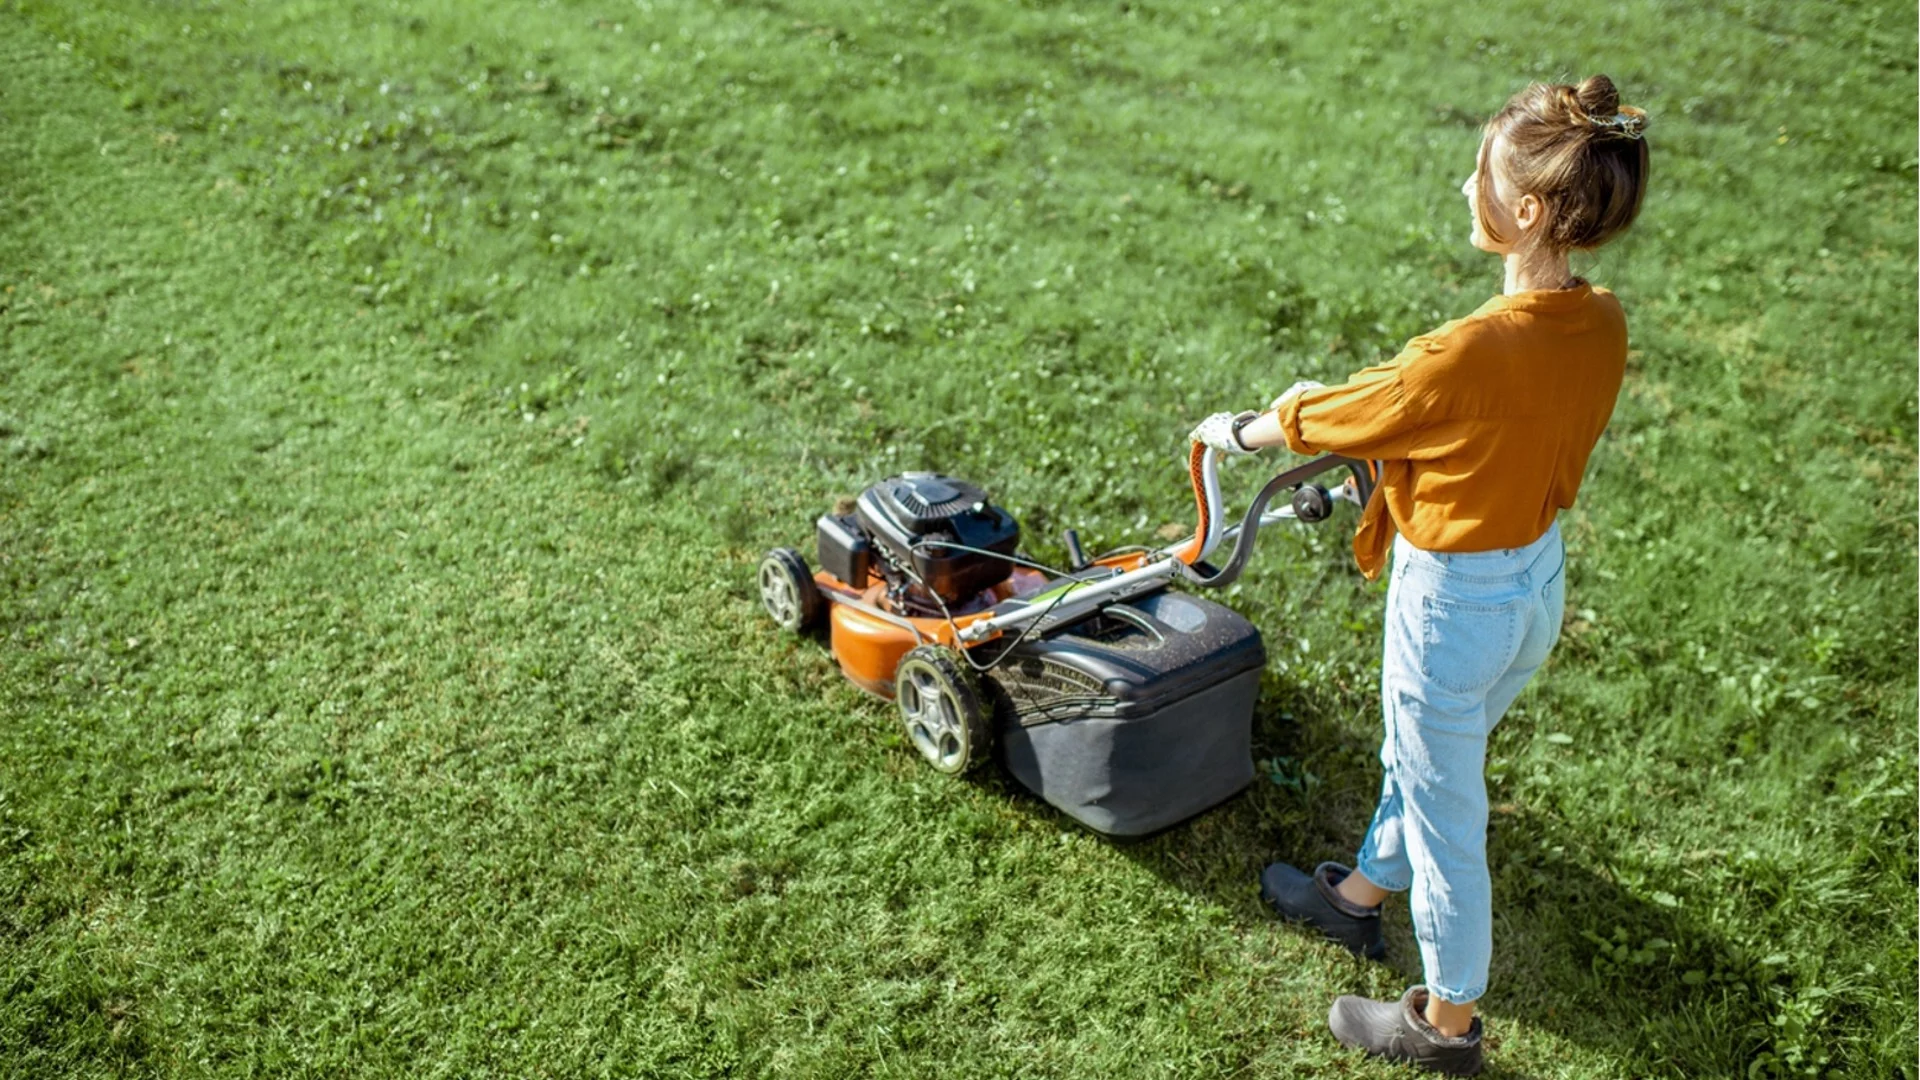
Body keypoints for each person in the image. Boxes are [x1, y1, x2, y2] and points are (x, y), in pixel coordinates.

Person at [1189, 75, 1651, 1074]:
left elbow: (1365, 407)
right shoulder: (1600, 322)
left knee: (1450, 818)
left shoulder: (1466, 355)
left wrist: (1239, 430)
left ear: (1525, 211)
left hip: (1455, 605)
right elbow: (1475, 419)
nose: (1464, 186)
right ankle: (1355, 900)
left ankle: (1443, 1028)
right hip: (1533, 590)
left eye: (1478, 174)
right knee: (1425, 756)